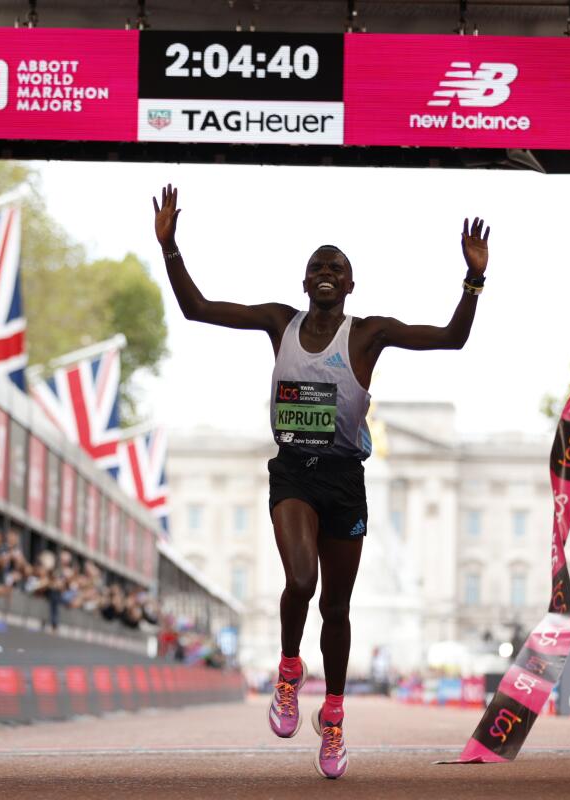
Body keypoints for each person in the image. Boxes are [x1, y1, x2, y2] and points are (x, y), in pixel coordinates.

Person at [153, 184, 490, 779]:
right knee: (301, 580)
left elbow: (452, 338)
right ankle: (289, 671)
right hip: (293, 472)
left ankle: (331, 718)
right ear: (304, 282)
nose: (326, 273)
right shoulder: (277, 323)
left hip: (344, 480)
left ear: (351, 284)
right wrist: (171, 246)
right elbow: (197, 309)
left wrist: (472, 281)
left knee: (337, 605)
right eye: (317, 267)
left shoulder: (367, 334)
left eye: (337, 267)